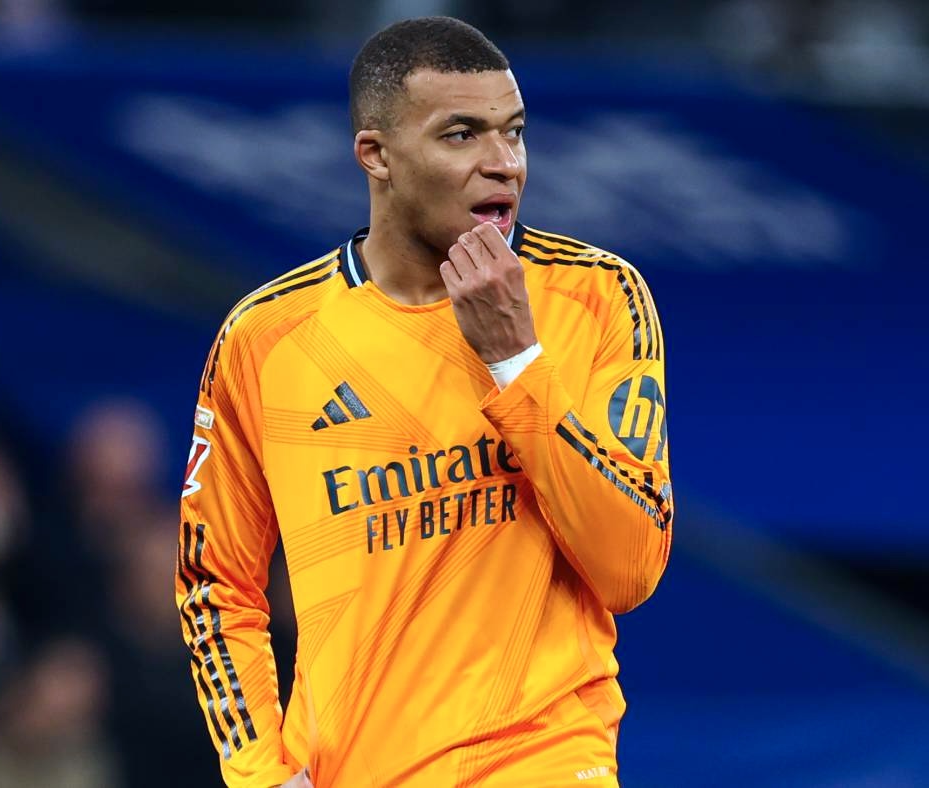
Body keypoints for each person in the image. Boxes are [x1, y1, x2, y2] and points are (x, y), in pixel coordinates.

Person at [177, 16, 672, 787]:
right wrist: (259, 772)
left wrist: (516, 360)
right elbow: (216, 585)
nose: (503, 163)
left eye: (514, 133)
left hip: (543, 761)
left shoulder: (594, 296)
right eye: (462, 135)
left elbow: (630, 569)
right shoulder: (266, 337)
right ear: (376, 155)